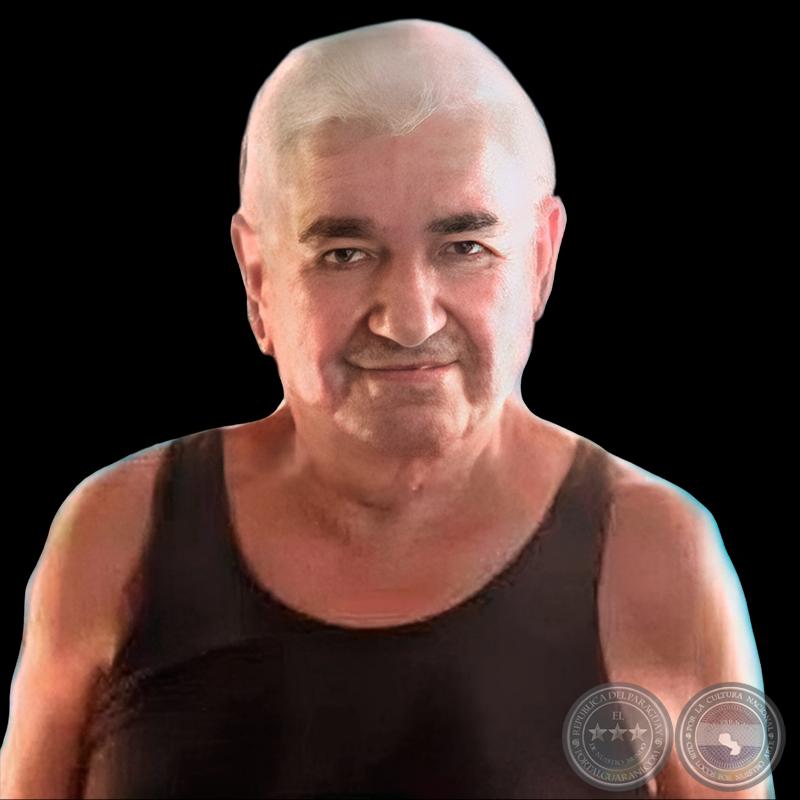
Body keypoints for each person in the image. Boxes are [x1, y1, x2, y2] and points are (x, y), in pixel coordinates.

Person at [1, 18, 772, 799]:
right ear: (259, 277)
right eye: (345, 254)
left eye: (464, 248)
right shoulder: (118, 533)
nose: (409, 318)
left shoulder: (657, 554)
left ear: (540, 259)